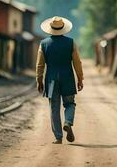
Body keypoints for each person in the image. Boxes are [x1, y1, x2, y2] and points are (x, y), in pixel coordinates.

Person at [36, 16, 84, 144]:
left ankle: (58, 137)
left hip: (51, 80)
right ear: (63, 28)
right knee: (69, 104)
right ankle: (68, 122)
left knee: (54, 108)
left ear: (50, 29)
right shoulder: (71, 42)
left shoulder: (43, 44)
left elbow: (40, 65)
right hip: (67, 77)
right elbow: (77, 63)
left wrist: (39, 80)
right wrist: (80, 79)